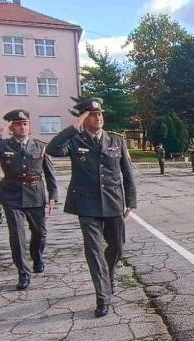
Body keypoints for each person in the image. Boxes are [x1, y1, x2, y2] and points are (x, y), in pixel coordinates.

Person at [46, 97, 137, 318]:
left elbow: (128, 172)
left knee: (117, 247)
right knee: (94, 251)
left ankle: (108, 277)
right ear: (84, 118)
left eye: (99, 114)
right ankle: (103, 296)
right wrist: (73, 127)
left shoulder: (116, 140)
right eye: (92, 115)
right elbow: (52, 149)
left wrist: (131, 201)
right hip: (86, 205)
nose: (98, 118)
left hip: (113, 202)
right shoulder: (75, 140)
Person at [0, 109, 58, 290]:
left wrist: (53, 195)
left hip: (35, 195)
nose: (22, 126)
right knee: (17, 236)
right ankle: (23, 273)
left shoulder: (40, 146)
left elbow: (49, 173)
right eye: (18, 124)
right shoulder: (2, 145)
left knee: (40, 233)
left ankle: (37, 257)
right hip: (11, 196)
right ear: (11, 127)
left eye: (25, 123)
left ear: (29, 126)